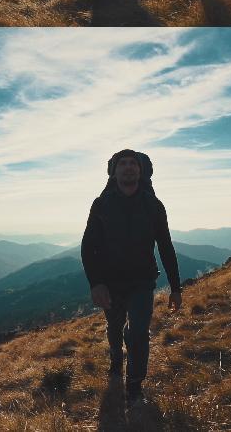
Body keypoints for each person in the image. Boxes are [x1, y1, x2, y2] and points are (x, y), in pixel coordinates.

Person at [81, 149, 183, 406]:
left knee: (138, 332)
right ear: (114, 172)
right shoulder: (101, 204)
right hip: (110, 283)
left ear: (141, 170)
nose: (128, 168)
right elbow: (88, 246)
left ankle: (135, 385)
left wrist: (176, 288)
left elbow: (166, 247)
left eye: (133, 164)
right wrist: (97, 283)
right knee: (115, 329)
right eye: (122, 164)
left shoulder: (154, 206)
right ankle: (116, 358)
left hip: (142, 282)